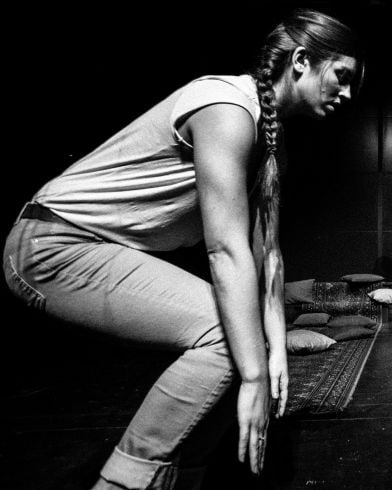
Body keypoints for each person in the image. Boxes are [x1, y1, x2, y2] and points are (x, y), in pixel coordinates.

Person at [2, 8, 364, 490]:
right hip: (51, 244)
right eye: (342, 76)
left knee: (245, 339)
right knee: (227, 334)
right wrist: (255, 376)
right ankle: (123, 482)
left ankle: (181, 479)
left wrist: (275, 349)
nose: (347, 94)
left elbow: (267, 259)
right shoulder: (226, 107)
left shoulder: (266, 139)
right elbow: (225, 251)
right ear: (301, 60)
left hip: (93, 247)